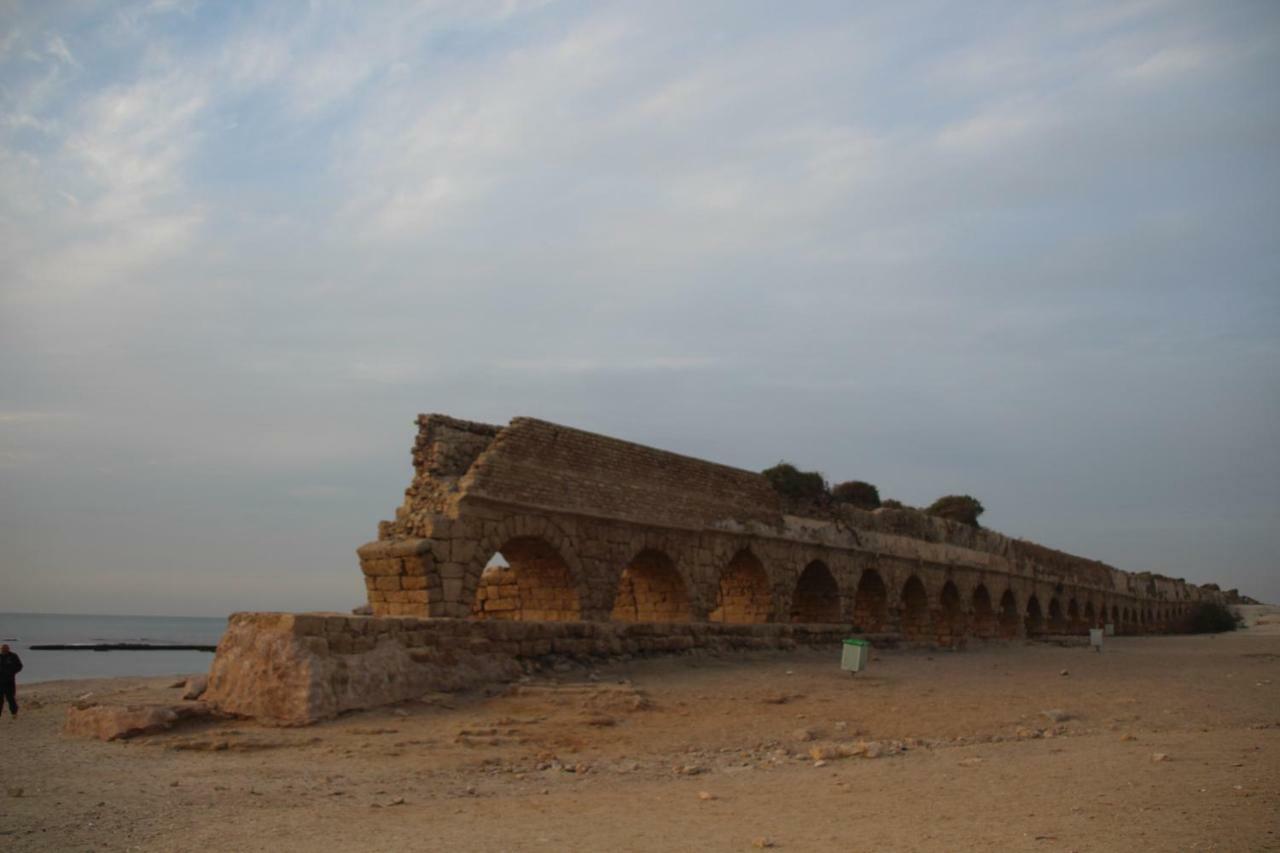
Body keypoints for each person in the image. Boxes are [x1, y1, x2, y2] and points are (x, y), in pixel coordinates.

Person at [0, 643, 23, 719]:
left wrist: (12, 671)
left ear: (8, 649)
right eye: (3, 650)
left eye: (5, 649)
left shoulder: (13, 656)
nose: (4, 651)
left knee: (10, 698)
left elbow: (19, 666)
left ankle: (14, 712)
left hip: (9, 681)